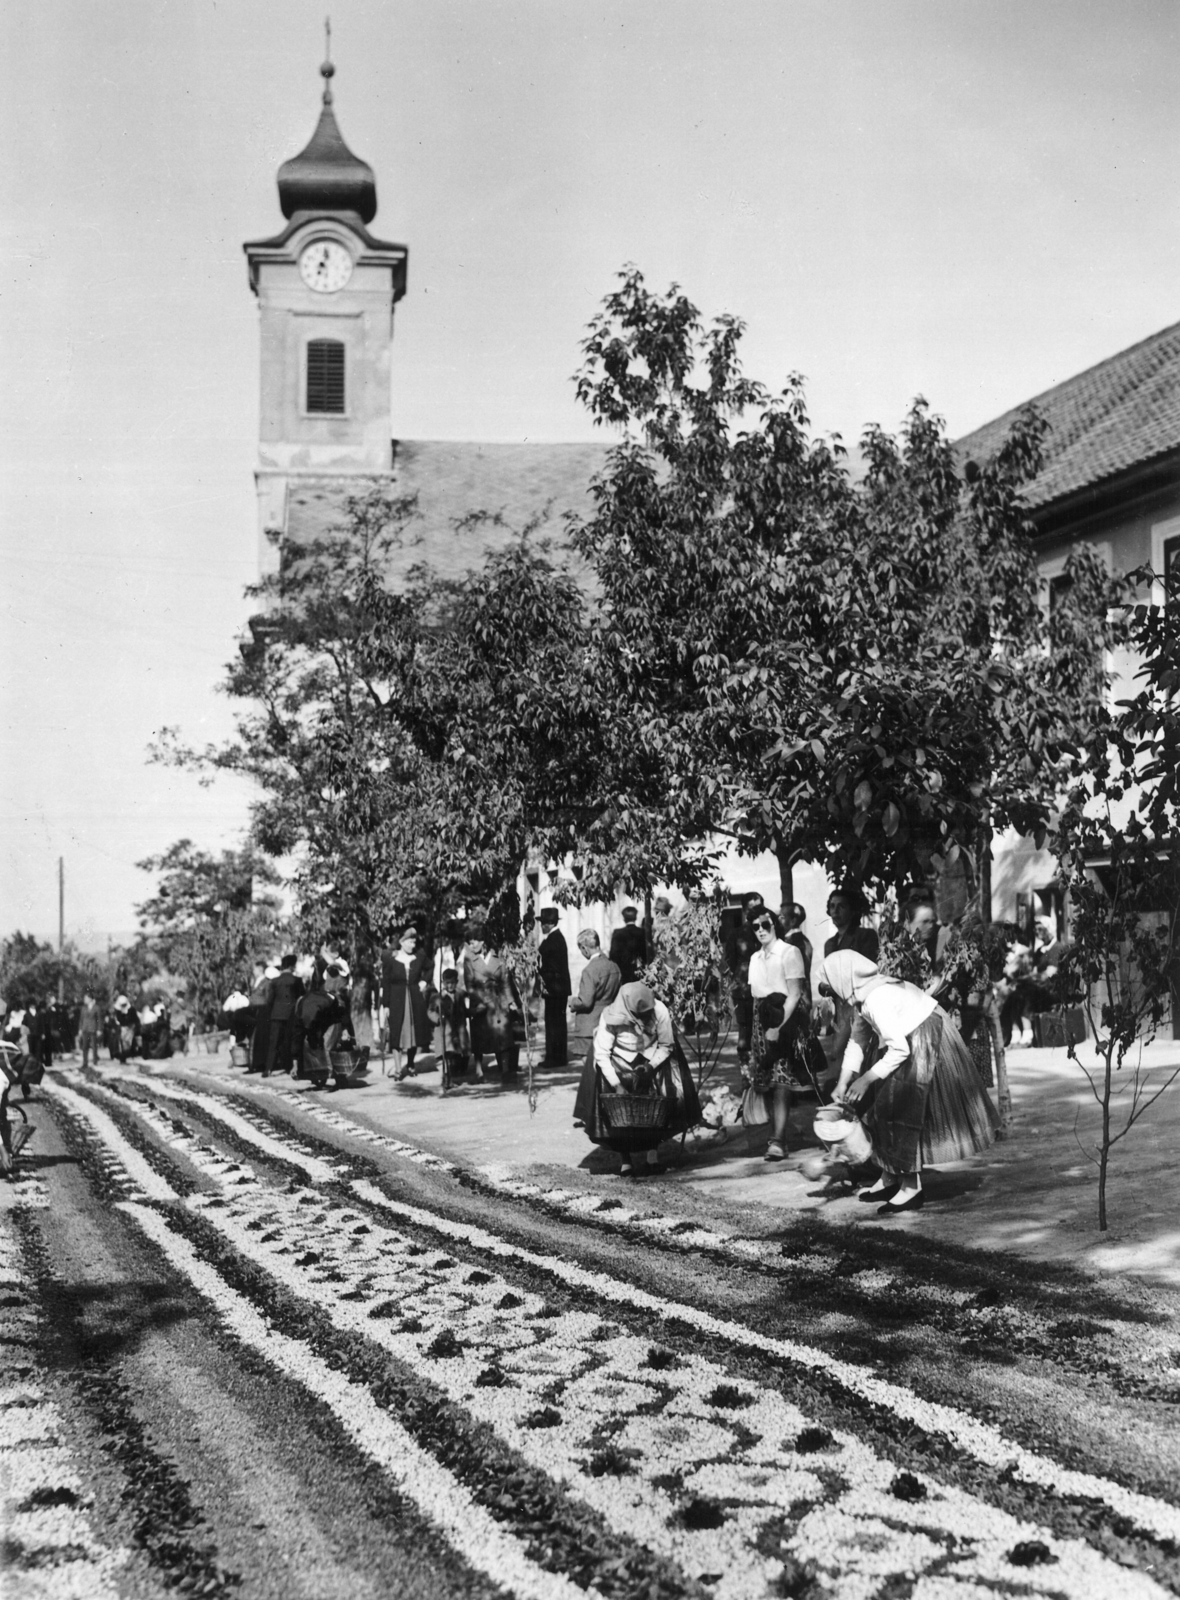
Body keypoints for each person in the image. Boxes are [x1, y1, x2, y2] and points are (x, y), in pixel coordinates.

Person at [827, 950, 999, 1213]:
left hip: (926, 1034)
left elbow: (900, 1050)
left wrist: (866, 1078)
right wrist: (843, 1081)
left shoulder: (875, 997)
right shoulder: (862, 994)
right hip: (910, 1036)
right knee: (882, 1105)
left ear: (842, 978)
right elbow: (858, 1039)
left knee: (902, 1105)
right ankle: (890, 1176)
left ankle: (911, 1187)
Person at [573, 982, 702, 1178]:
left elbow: (666, 1045)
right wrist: (616, 1084)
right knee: (618, 1113)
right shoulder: (610, 1017)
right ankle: (625, 1161)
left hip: (651, 1059)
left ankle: (652, 1156)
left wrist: (651, 1067)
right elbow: (602, 1054)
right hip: (618, 1062)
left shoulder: (659, 1010)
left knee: (657, 1105)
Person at [746, 909, 824, 1161]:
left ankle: (778, 1140)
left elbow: (794, 994)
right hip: (761, 1018)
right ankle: (775, 1135)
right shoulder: (755, 958)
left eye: (765, 924)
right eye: (755, 925)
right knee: (766, 1077)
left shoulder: (789, 952)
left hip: (784, 1017)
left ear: (774, 924)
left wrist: (778, 1028)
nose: (760, 929)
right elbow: (755, 998)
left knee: (782, 1078)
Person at [464, 931, 523, 1079]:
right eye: (469, 943)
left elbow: (505, 983)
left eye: (474, 942)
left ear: (483, 941)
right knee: (479, 1036)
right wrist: (479, 1003)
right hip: (480, 1002)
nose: (471, 946)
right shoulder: (469, 960)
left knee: (502, 1035)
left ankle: (505, 1070)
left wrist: (511, 1002)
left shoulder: (498, 957)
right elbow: (470, 986)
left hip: (498, 1001)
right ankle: (479, 1071)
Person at [381, 924, 432, 1080]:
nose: (412, 945)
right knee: (397, 1033)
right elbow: (386, 982)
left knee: (413, 1033)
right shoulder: (391, 959)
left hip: (415, 999)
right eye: (409, 942)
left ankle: (410, 1065)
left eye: (414, 942)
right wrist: (386, 1005)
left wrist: (424, 982)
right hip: (397, 1000)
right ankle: (398, 1069)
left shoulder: (420, 956)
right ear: (402, 942)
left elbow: (431, 967)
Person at [723, 893, 765, 1066]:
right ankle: (746, 1075)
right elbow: (730, 963)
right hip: (744, 990)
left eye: (758, 908)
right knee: (745, 1032)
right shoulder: (736, 934)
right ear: (744, 910)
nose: (755, 912)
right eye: (751, 909)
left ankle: (764, 1075)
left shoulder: (767, 930)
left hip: (766, 989)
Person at [567, 931, 622, 1048]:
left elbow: (585, 1001)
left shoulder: (589, 970)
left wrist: (572, 1001)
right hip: (608, 1023)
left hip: (588, 1027)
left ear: (584, 948)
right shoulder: (614, 966)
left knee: (587, 1063)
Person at [538, 908, 571, 1067]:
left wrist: (540, 971)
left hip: (554, 988)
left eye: (543, 923)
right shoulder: (555, 938)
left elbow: (551, 966)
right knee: (556, 1023)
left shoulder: (553, 939)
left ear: (550, 923)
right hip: (557, 988)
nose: (541, 926)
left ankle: (555, 1058)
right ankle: (556, 1056)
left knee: (554, 1024)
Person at [264, 954, 304, 1078]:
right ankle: (292, 1067)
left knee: (274, 1042)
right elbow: (302, 997)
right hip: (291, 1014)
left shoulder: (275, 981)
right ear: (292, 966)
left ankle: (268, 1069)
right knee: (291, 1041)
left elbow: (269, 1000)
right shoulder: (296, 980)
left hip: (276, 1014)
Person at [436, 969, 471, 1089]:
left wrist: (473, 1012)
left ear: (456, 982)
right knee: (448, 1055)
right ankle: (447, 1078)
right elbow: (430, 1011)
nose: (450, 985)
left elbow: (464, 1010)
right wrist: (437, 1018)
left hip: (459, 1028)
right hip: (446, 1030)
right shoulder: (439, 997)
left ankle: (457, 1073)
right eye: (447, 983)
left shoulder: (460, 994)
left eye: (452, 982)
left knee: (462, 1051)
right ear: (443, 983)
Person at [608, 907, 648, 984]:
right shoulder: (642, 933)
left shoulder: (617, 933)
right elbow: (645, 954)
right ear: (636, 917)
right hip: (639, 971)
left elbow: (613, 955)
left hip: (622, 971)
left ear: (624, 919)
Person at [77, 992, 103, 1068]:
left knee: (94, 1046)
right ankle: (85, 1062)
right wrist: (80, 1029)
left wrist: (99, 1029)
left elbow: (99, 1019)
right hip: (85, 1029)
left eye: (86, 998)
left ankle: (95, 1061)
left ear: (90, 999)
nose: (84, 1000)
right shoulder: (83, 1008)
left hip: (93, 1029)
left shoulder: (96, 1008)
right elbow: (81, 1019)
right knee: (85, 1046)